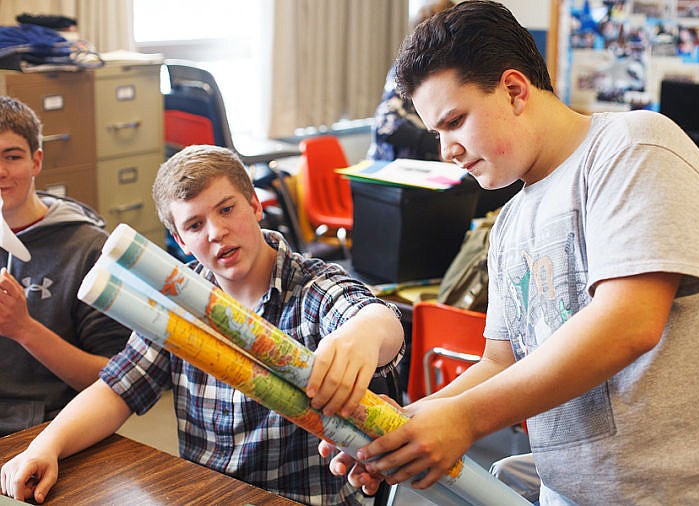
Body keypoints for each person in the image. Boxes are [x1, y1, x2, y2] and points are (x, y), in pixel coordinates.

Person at [321, 1, 699, 504]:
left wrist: (463, 420)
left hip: (685, 493)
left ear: (513, 90)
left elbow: (630, 322)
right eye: (438, 132)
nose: (447, 150)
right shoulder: (508, 224)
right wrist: (401, 428)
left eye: (456, 121)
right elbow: (500, 364)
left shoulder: (634, 147)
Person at [0, 144, 405, 506]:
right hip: (208, 492)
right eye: (195, 225)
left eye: (227, 209)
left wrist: (365, 332)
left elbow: (374, 316)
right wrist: (47, 445)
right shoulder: (180, 297)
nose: (216, 232)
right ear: (178, 239)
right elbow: (116, 389)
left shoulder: (312, 287)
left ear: (255, 205)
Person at [0, 96, 130, 436]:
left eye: (11, 157)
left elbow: (117, 378)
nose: (0, 171)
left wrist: (23, 328)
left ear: (36, 161)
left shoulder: (87, 249)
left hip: (53, 427)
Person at [366, 0, 454, 162]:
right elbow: (385, 125)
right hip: (399, 166)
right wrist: (437, 145)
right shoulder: (408, 69)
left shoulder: (453, 68)